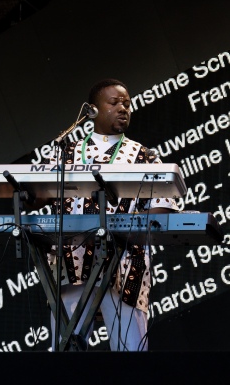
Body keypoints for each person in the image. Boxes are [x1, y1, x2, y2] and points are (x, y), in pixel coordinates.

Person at [43, 78, 178, 351]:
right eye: (114, 102)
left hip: (126, 264)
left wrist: (127, 231)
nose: (123, 108)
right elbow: (36, 196)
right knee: (65, 353)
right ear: (92, 110)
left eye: (127, 103)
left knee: (130, 352)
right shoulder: (65, 153)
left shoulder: (145, 156)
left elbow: (164, 204)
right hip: (72, 262)